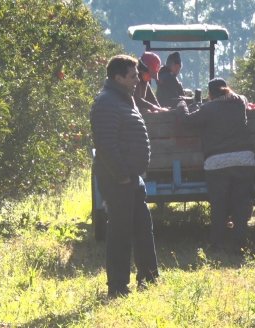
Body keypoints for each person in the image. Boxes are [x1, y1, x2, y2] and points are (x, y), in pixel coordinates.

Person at [90, 54, 159, 298]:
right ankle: (118, 287)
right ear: (118, 77)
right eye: (132, 76)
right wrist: (122, 175)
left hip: (131, 177)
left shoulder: (123, 100)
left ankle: (149, 279)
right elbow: (106, 144)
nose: (137, 80)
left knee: (142, 226)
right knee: (120, 232)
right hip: (119, 178)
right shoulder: (107, 102)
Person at [177, 78, 255, 253]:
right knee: (241, 203)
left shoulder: (208, 108)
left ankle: (217, 244)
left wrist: (182, 103)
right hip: (244, 160)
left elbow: (186, 121)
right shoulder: (240, 101)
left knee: (219, 204)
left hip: (217, 163)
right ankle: (240, 243)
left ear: (210, 94)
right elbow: (242, 99)